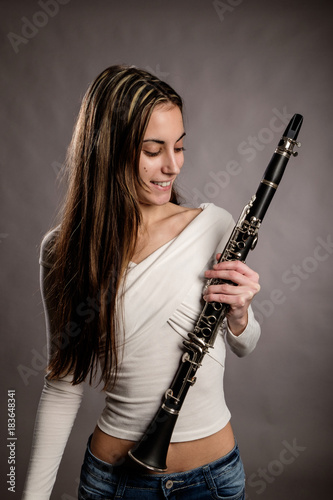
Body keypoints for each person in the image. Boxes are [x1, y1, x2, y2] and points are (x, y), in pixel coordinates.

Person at [22, 65, 261, 500]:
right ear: (109, 150)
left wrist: (241, 315)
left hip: (214, 482)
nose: (173, 166)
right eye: (154, 150)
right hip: (114, 484)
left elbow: (245, 344)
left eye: (180, 146)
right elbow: (63, 384)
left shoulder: (214, 226)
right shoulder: (64, 250)